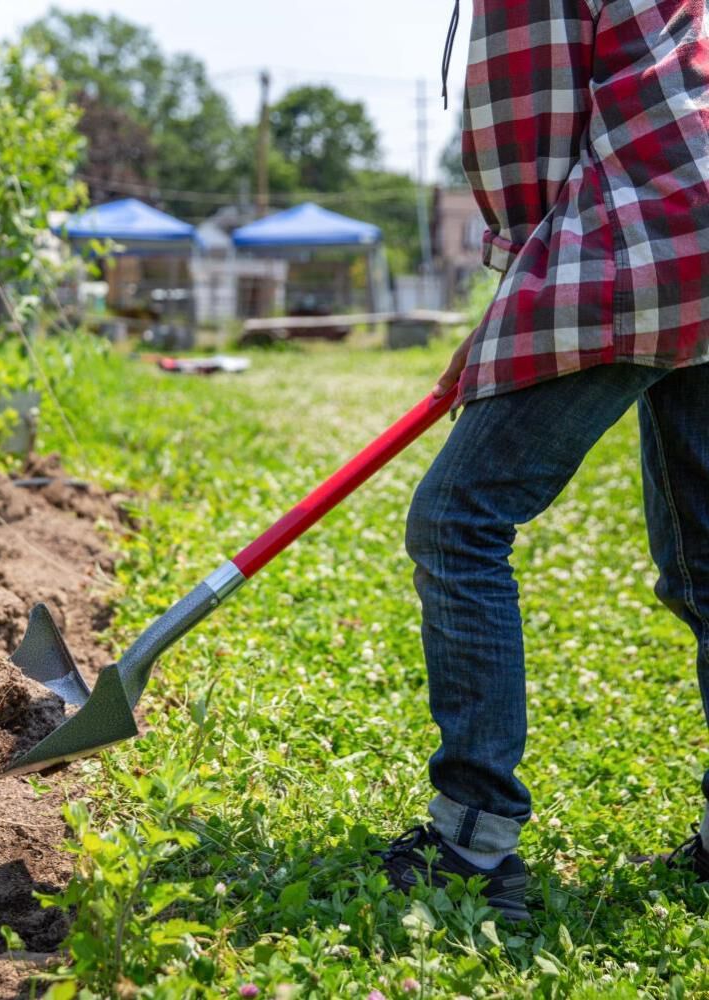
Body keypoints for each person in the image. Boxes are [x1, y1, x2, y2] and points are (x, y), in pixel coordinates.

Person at [378, 0, 709, 923]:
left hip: (647, 238)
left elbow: (523, 141)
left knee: (458, 519)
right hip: (699, 223)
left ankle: (472, 841)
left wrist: (509, 312)